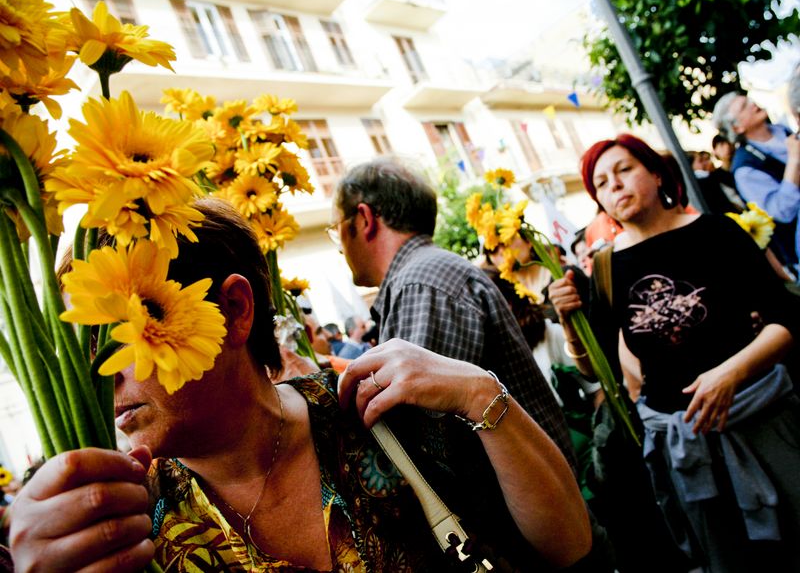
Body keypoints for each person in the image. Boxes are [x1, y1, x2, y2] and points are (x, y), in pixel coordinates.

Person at [6, 198, 593, 572]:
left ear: (235, 310)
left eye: (119, 335)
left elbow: (566, 545)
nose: (99, 375)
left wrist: (482, 395)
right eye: (79, 352)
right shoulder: (115, 521)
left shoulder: (376, 412)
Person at [549, 134, 800, 573]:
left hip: (760, 423)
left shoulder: (718, 231)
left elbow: (787, 320)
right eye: (602, 183)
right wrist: (571, 321)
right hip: (683, 445)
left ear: (657, 172)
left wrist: (731, 373)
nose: (615, 186)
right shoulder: (607, 267)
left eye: (624, 170)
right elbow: (599, 369)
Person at [331, 158, 575, 468]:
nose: (339, 247)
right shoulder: (425, 274)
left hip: (520, 507)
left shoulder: (420, 282)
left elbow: (421, 442)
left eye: (335, 229)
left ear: (364, 219)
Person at [713, 91, 800, 272]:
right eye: (744, 106)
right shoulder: (745, 169)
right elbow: (782, 211)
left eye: (749, 100)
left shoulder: (784, 129)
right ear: (737, 128)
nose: (753, 104)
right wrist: (794, 160)